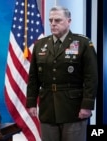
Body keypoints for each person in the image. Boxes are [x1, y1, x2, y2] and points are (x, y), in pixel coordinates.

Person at [26, 6, 98, 141]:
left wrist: (87, 106)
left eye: (57, 20)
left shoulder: (83, 43)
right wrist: (31, 102)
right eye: (50, 20)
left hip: (73, 108)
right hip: (48, 107)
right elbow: (33, 77)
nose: (53, 24)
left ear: (68, 21)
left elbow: (91, 78)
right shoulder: (40, 45)